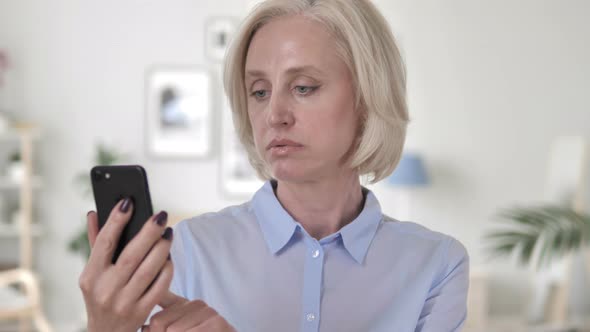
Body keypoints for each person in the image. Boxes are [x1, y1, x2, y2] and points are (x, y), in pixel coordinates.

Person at [79, 0, 470, 331]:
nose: (274, 115)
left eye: (303, 87)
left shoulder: (436, 266)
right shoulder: (186, 252)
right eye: (259, 92)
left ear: (368, 98)